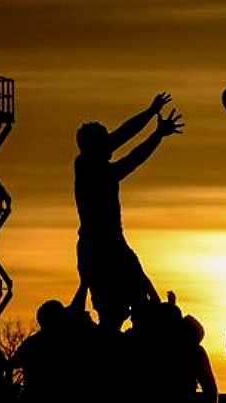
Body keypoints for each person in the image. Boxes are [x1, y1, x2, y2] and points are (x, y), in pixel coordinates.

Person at [74, 93, 184, 331]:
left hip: (110, 244)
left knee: (139, 295)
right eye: (105, 141)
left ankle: (158, 327)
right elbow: (131, 151)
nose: (111, 143)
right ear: (95, 146)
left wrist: (152, 115)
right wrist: (155, 129)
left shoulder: (92, 165)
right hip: (99, 247)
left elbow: (124, 137)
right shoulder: (90, 169)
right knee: (115, 309)